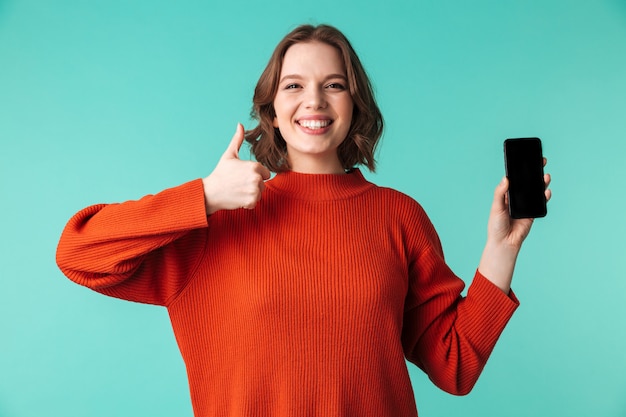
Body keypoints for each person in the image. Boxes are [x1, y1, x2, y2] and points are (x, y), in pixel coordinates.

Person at [56, 24, 551, 417]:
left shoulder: (399, 216)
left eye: (333, 85)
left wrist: (501, 249)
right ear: (271, 109)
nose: (314, 101)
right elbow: (79, 253)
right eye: (294, 86)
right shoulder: (216, 220)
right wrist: (204, 196)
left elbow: (455, 366)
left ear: (354, 106)